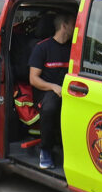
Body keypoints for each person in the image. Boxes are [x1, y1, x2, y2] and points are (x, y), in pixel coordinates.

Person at [28, 12, 75, 170]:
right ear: (64, 26)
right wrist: (53, 87)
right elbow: (33, 79)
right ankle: (45, 151)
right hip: (45, 92)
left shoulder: (73, 49)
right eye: (73, 24)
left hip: (68, 90)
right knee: (50, 108)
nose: (76, 27)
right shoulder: (42, 48)